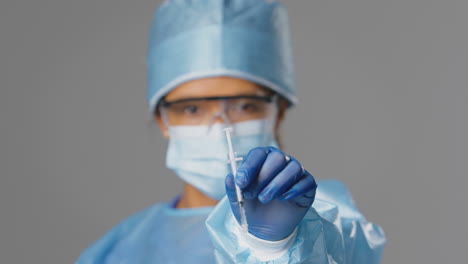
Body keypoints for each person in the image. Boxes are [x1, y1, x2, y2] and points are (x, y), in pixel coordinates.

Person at [76, 0, 386, 263]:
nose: (221, 124)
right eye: (193, 109)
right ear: (162, 120)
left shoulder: (321, 215)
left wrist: (277, 245)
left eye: (244, 106)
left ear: (278, 113)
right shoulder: (117, 250)